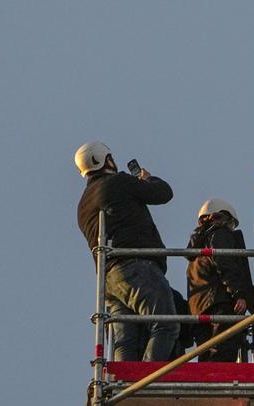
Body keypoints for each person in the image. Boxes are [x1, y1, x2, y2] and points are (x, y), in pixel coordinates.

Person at [75, 141, 181, 362]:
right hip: (136, 266)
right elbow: (163, 193)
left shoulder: (83, 205)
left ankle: (125, 380)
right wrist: (147, 179)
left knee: (125, 342)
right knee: (166, 323)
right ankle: (148, 376)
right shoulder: (117, 182)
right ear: (105, 160)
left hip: (108, 279)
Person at [186, 198, 254, 361]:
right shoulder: (220, 234)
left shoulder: (196, 249)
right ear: (226, 218)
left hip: (199, 309)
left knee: (206, 357)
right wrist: (238, 293)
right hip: (220, 303)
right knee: (222, 354)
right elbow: (225, 263)